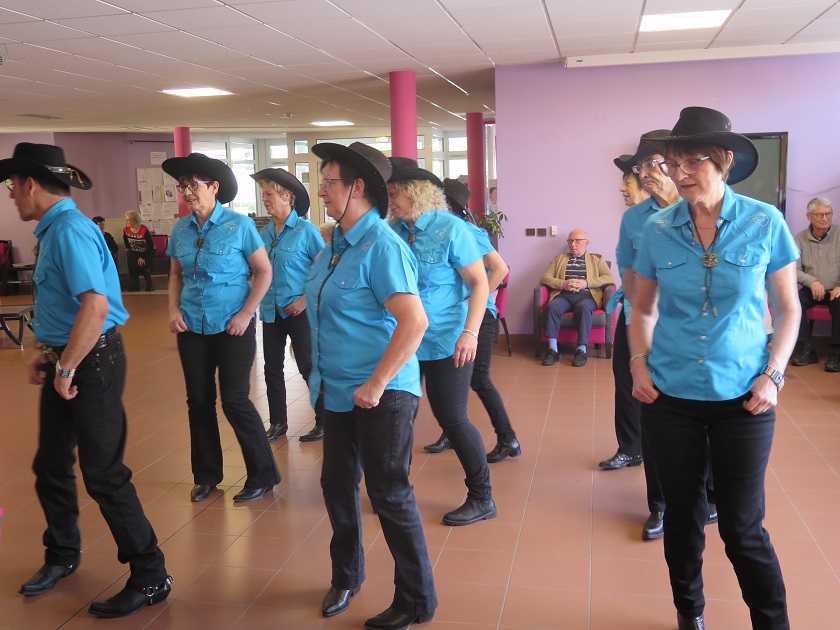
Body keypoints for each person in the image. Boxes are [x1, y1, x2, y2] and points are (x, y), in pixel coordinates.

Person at [629, 107, 799, 630]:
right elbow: (643, 309)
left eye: (691, 162)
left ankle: (771, 622)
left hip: (744, 396)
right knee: (682, 518)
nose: (679, 173)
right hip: (670, 396)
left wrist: (773, 374)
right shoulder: (657, 228)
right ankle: (690, 613)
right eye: (671, 163)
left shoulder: (764, 221)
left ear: (724, 160)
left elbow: (788, 308)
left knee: (743, 526)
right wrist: (638, 366)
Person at [1, 142, 172, 618]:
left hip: (90, 363)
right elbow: (64, 304)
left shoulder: (70, 231)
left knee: (104, 474)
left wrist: (66, 367)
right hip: (71, 356)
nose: (11, 195)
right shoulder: (57, 229)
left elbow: (95, 308)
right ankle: (62, 554)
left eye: (12, 186)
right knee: (51, 464)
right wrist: (48, 353)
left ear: (29, 184)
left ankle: (151, 574)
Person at [305, 142, 437, 630]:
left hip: (383, 391)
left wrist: (377, 382)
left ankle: (417, 600)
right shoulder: (336, 245)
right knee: (337, 485)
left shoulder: (382, 245)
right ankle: (347, 576)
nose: (321, 190)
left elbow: (414, 322)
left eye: (329, 182)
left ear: (357, 187)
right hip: (339, 390)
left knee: (389, 493)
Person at [163, 152, 280, 504]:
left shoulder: (239, 226)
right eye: (182, 186)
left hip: (233, 327)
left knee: (235, 401)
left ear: (213, 187)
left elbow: (264, 272)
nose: (187, 192)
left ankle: (263, 474)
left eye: (193, 185)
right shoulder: (180, 229)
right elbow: (175, 274)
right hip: (191, 328)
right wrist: (173, 309)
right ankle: (206, 476)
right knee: (198, 401)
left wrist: (246, 313)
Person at [387, 162, 496, 526]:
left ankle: (482, 497)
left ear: (415, 192)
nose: (390, 201)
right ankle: (394, 491)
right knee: (400, 415)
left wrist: (470, 332)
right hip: (404, 341)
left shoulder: (452, 229)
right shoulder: (393, 231)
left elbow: (480, 283)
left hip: (445, 340)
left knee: (452, 418)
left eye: (394, 194)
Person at [601, 133, 679, 542]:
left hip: (699, 334)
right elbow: (630, 278)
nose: (645, 173)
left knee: (701, 419)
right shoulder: (634, 219)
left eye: (652, 163)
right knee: (652, 410)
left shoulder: (710, 210)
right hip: (647, 326)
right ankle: (660, 504)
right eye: (640, 166)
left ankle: (708, 496)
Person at [424, 177, 520, 463]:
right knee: (452, 380)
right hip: (454, 317)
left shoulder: (466, 230)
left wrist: (473, 302)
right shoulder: (433, 232)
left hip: (478, 316)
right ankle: (452, 432)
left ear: (447, 206)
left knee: (478, 379)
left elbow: (499, 269)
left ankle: (508, 439)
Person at [251, 168, 326, 443]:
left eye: (269, 194)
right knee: (272, 368)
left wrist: (305, 300)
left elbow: (324, 271)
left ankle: (324, 420)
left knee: (308, 365)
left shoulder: (306, 231)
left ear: (287, 196)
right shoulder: (262, 233)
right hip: (271, 310)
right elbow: (257, 271)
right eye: (263, 195)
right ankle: (278, 422)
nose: (264, 199)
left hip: (300, 311)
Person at [539, 229, 615, 367]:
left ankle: (581, 350)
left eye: (577, 241)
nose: (573, 244)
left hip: (587, 296)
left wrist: (586, 283)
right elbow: (545, 278)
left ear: (587, 243)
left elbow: (609, 278)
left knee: (584, 308)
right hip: (564, 295)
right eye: (570, 241)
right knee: (552, 307)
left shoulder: (597, 259)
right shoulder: (559, 259)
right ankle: (552, 349)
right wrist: (563, 284)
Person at [790, 197, 840, 371]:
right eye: (820, 215)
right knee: (794, 300)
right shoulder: (800, 238)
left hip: (836, 290)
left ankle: (837, 353)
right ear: (809, 216)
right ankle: (806, 349)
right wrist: (812, 282)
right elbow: (793, 269)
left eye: (828, 214)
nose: (825, 218)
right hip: (813, 289)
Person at [123, 210, 155, 292]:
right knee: (132, 265)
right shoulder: (126, 230)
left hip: (147, 252)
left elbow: (151, 246)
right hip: (135, 252)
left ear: (135, 220)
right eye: (126, 220)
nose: (127, 222)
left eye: (129, 220)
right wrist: (127, 247)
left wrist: (143, 258)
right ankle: (135, 285)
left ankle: (150, 285)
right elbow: (126, 239)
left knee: (143, 265)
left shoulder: (144, 229)